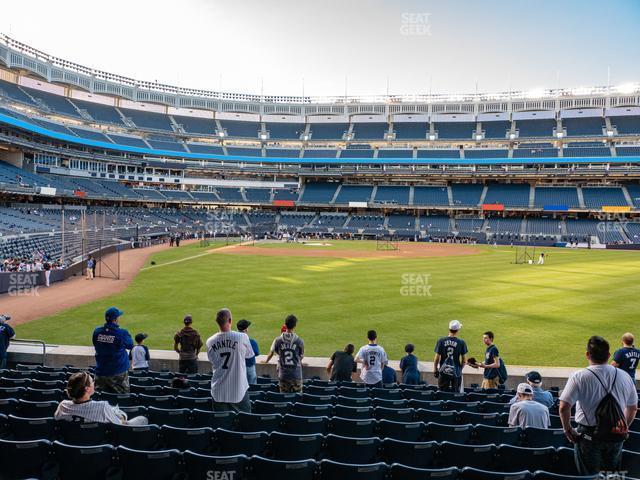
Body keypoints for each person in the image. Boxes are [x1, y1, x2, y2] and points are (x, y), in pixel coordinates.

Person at [559, 336, 638, 476]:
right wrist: (623, 425)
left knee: (590, 476)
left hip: (588, 436)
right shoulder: (625, 376)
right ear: (609, 355)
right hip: (616, 434)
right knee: (611, 475)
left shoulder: (579, 376)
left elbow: (564, 407)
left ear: (587, 354)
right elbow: (632, 408)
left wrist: (567, 429)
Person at [206, 308, 255, 412]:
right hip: (238, 390)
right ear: (230, 321)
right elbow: (249, 356)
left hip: (218, 390)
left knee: (222, 423)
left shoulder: (210, 341)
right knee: (246, 420)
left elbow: (212, 360)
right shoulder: (242, 337)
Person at [54, 371, 147, 425]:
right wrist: (121, 415)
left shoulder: (62, 406)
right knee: (143, 419)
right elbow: (120, 424)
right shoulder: (102, 407)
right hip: (101, 442)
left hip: (71, 443)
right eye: (92, 382)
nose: (94, 383)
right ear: (87, 389)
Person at [92, 307, 133, 393]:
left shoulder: (97, 332)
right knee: (122, 399)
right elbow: (130, 345)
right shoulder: (122, 333)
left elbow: (96, 343)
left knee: (101, 399)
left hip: (101, 372)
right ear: (115, 319)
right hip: (118, 372)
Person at [264, 315, 305, 393]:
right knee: (297, 398)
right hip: (296, 375)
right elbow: (301, 355)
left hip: (283, 375)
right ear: (295, 326)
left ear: (285, 325)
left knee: (284, 399)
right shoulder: (299, 341)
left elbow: (277, 352)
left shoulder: (278, 340)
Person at [433, 320, 468, 392]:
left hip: (443, 371)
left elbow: (436, 358)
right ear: (458, 330)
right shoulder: (461, 342)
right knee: (455, 394)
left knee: (442, 393)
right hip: (456, 372)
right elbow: (464, 361)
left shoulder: (441, 341)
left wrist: (435, 369)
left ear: (449, 329)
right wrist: (459, 370)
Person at [237, 319, 259, 384]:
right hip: (249, 368)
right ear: (246, 330)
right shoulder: (252, 342)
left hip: (238, 368)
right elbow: (256, 353)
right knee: (252, 387)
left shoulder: (233, 341)